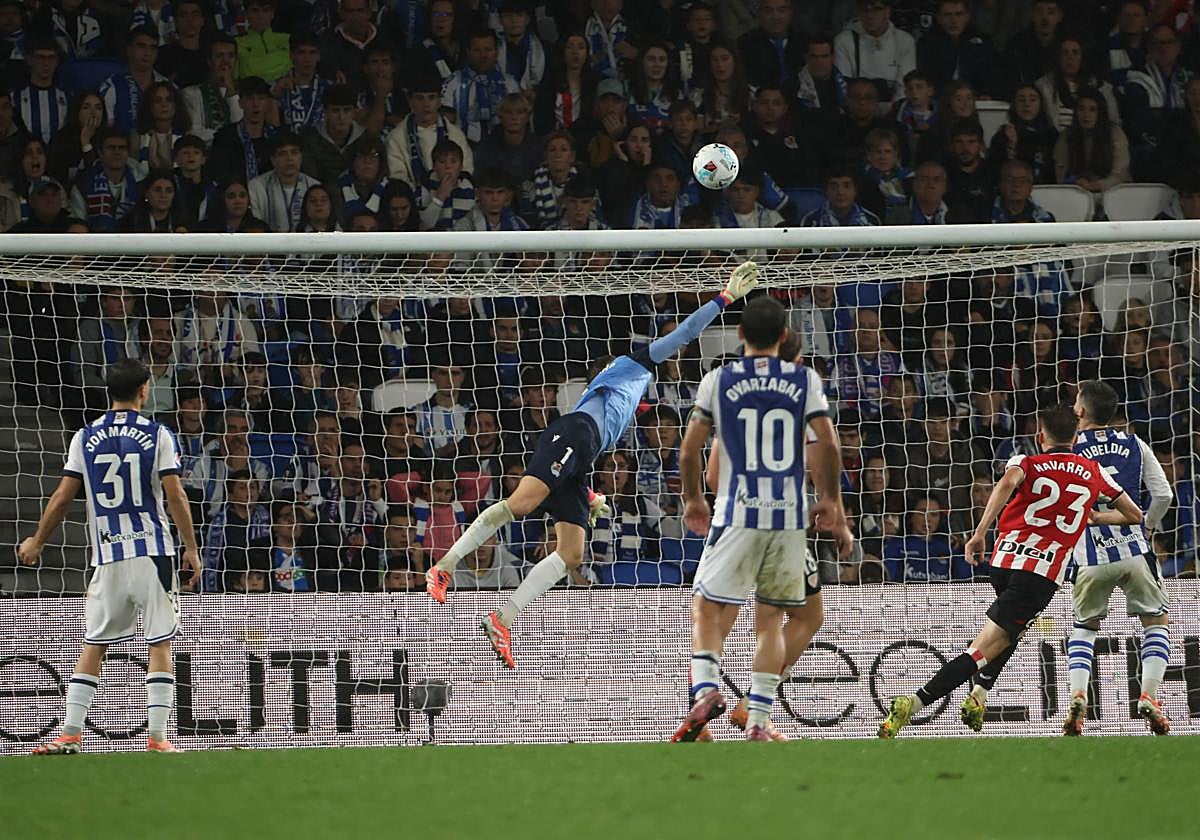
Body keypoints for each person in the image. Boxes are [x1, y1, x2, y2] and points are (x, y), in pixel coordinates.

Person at [425, 261, 762, 669]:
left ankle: (502, 618)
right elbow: (685, 332)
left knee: (571, 554)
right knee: (522, 504)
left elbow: (577, 462)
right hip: (573, 434)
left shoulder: (612, 406)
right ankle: (444, 566)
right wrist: (724, 298)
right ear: (608, 368)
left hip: (581, 450)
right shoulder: (631, 365)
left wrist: (587, 494)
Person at [878, 404, 1142, 738]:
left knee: (1011, 630)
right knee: (982, 649)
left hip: (1003, 562)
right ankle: (913, 703)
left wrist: (979, 534)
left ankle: (979, 695)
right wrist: (1099, 518)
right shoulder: (1094, 471)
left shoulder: (1025, 462)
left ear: (1039, 436)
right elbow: (1135, 515)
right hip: (1040, 573)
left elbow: (1004, 485)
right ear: (1076, 438)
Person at [671, 296, 852, 742]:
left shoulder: (719, 381)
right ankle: (755, 719)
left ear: (739, 335)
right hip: (788, 518)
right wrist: (831, 502)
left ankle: (705, 692)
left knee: (709, 611)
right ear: (787, 338)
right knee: (774, 619)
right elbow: (827, 444)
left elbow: (698, 456)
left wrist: (694, 500)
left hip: (736, 515)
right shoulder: (803, 382)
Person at [18, 357, 202, 754]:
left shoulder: (85, 436)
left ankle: (69, 732)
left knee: (95, 644)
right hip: (152, 551)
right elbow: (175, 494)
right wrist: (190, 545)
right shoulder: (158, 435)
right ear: (143, 391)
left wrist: (36, 540)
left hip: (108, 554)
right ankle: (156, 738)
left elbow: (64, 496)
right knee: (159, 643)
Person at [1063, 380, 1174, 736]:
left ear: (1080, 411)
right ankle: (1148, 695)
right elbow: (1163, 494)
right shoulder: (1135, 443)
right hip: (1133, 550)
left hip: (1088, 553)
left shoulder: (1071, 447)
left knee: (1085, 627)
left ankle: (1078, 697)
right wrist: (1148, 525)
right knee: (1156, 621)